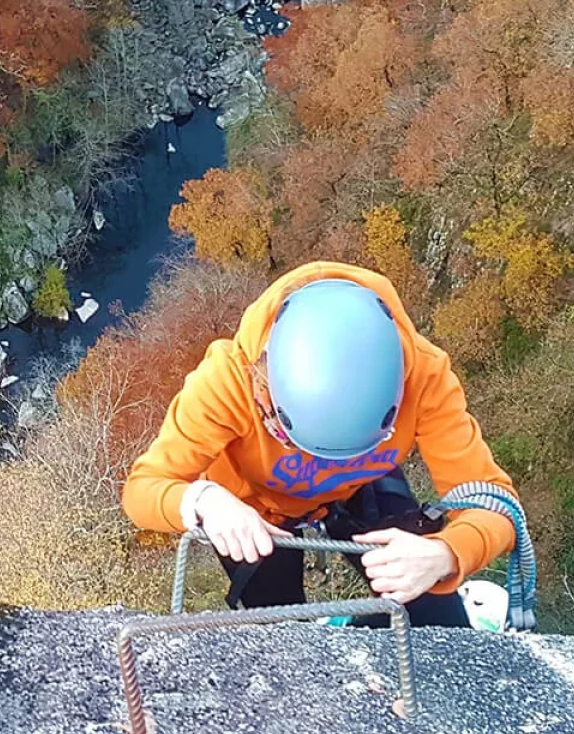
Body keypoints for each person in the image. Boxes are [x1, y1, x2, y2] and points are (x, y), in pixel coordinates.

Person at [121, 261, 516, 627]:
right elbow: (143, 489)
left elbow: (495, 504)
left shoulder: (423, 375)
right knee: (286, 630)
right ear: (263, 379)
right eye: (279, 425)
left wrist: (447, 554)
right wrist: (204, 500)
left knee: (432, 616)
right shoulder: (227, 380)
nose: (312, 457)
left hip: (363, 485)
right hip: (254, 512)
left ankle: (362, 638)